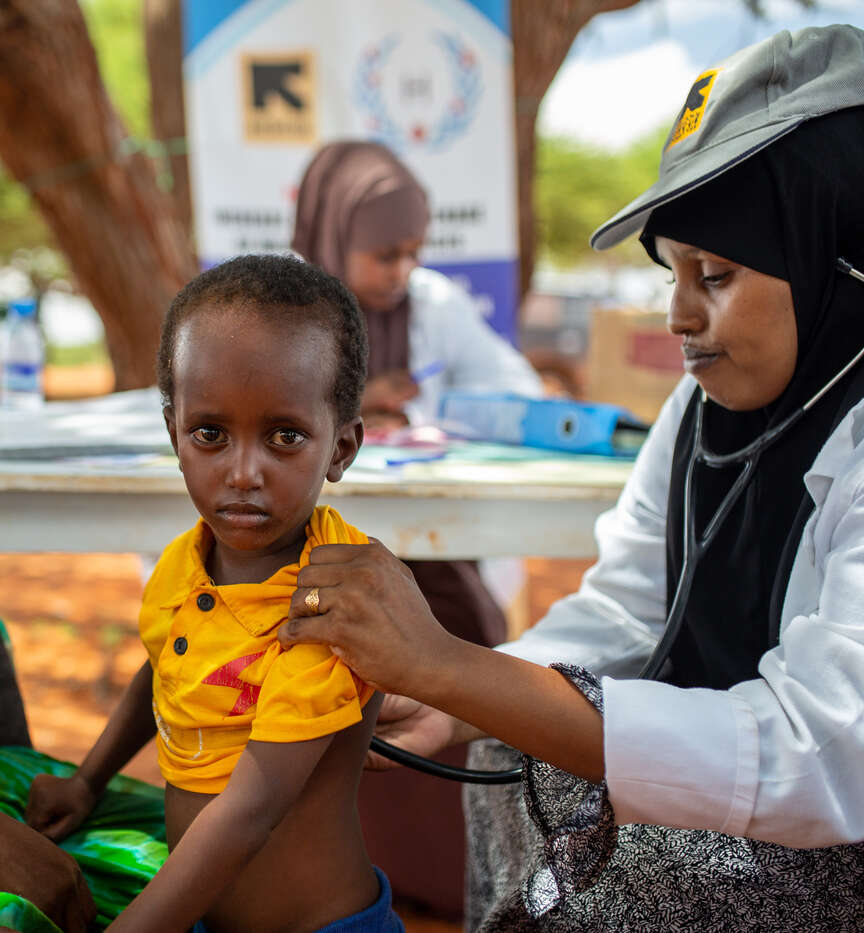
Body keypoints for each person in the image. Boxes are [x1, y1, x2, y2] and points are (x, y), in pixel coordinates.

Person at [278, 25, 864, 932]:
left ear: (846, 257)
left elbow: (827, 753)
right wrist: (460, 694)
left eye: (715, 274)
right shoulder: (706, 414)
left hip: (862, 867)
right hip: (765, 786)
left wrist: (451, 664)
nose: (676, 315)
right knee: (510, 753)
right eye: (672, 273)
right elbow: (630, 611)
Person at [23, 254, 404, 932]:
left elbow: (248, 813)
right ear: (175, 433)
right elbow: (170, 670)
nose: (243, 472)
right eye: (211, 434)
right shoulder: (187, 560)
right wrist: (89, 779)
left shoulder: (332, 601)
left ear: (341, 448)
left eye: (285, 436)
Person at [291, 139, 543, 915]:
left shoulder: (433, 306)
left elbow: (516, 391)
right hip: (310, 549)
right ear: (333, 232)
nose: (400, 271)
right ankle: (315, 878)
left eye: (412, 252)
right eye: (383, 253)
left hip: (426, 544)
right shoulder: (282, 303)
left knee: (462, 641)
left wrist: (437, 409)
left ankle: (437, 880)